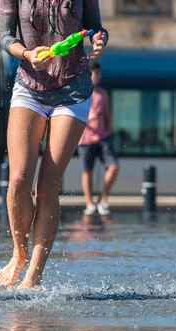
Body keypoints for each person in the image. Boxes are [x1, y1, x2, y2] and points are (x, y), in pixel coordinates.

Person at [0, 0, 108, 289]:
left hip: (74, 88)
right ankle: (19, 254)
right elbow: (6, 37)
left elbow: (95, 26)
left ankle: (34, 273)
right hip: (29, 86)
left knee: (46, 185)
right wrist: (26, 53)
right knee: (19, 179)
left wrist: (98, 37)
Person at [78, 62, 119, 216]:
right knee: (87, 171)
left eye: (99, 73)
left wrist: (109, 130)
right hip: (85, 139)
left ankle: (103, 200)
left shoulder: (103, 93)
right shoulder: (80, 93)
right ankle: (89, 203)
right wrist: (89, 117)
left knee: (114, 166)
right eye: (96, 73)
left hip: (103, 137)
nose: (99, 76)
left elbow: (108, 114)